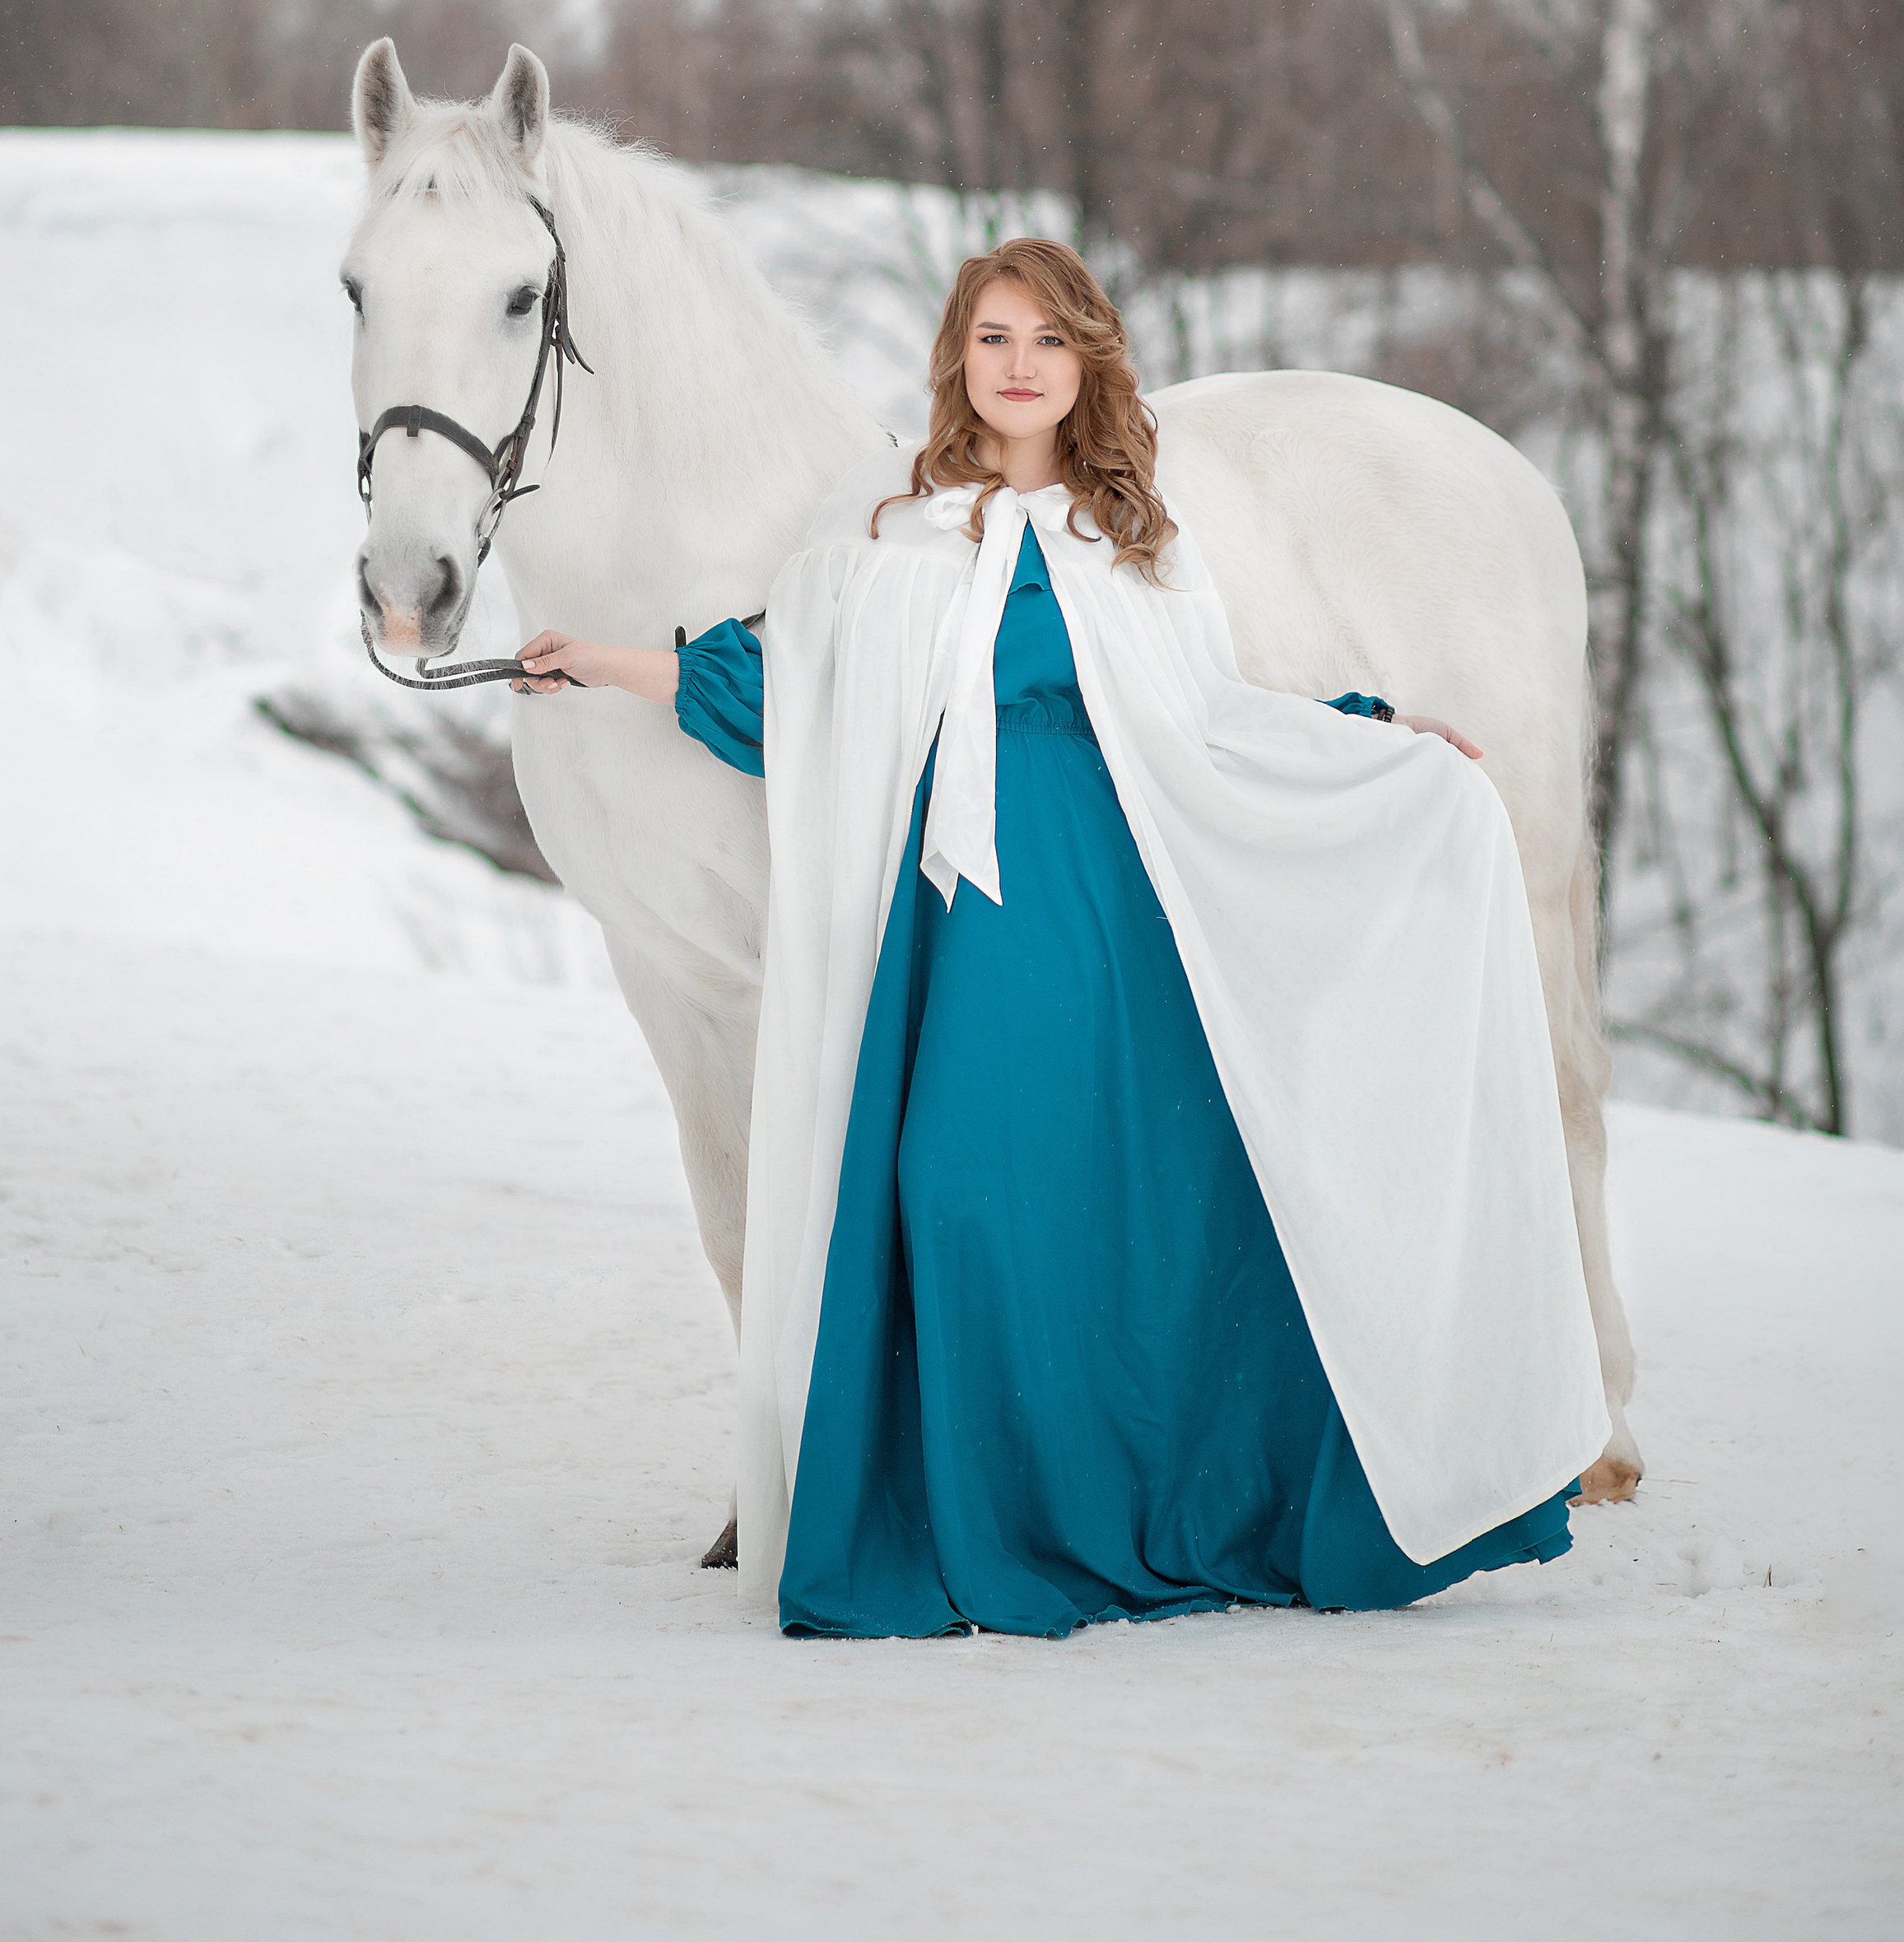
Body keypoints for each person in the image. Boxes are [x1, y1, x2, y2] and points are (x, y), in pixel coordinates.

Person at [515, 239, 1608, 1639]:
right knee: (957, 1187)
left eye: (1044, 340)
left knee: (1148, 1210)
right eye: (992, 340)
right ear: (959, 365)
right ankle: (1003, 1516)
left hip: (1123, 912)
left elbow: (1209, 717)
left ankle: (1178, 1504)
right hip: (970, 925)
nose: (1018, 365)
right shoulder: (901, 541)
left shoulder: (1130, 545)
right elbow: (792, 682)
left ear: (1083, 363)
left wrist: (1376, 740)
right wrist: (602, 660)